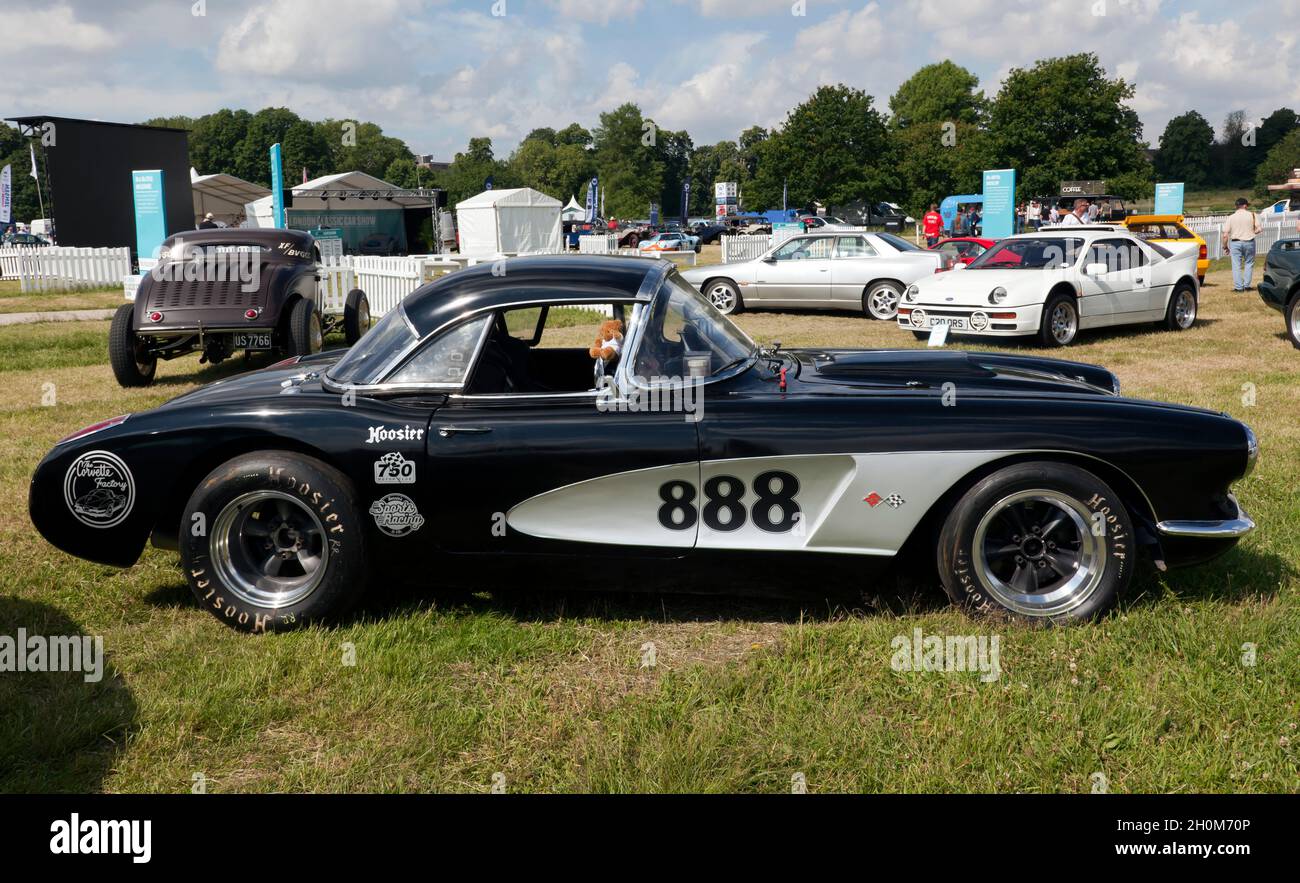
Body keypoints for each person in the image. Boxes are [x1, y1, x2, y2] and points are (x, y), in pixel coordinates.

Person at [1220, 197, 1262, 292]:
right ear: (1245, 205)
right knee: (1249, 263)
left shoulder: (1231, 217)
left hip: (1235, 242)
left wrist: (1225, 246)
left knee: (1236, 265)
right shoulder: (1253, 215)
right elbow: (1259, 229)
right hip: (1249, 241)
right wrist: (1252, 232)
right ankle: (1247, 286)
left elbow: (1225, 235)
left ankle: (1239, 288)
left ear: (1236, 206)